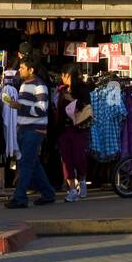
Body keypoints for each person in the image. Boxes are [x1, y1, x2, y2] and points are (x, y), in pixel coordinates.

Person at [2, 53, 56, 208]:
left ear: (31, 70)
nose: (19, 70)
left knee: (26, 163)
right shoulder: (24, 85)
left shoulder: (40, 86)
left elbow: (42, 109)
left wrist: (19, 106)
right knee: (32, 163)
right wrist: (15, 105)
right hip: (24, 129)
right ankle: (48, 193)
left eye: (22, 68)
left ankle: (20, 198)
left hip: (35, 130)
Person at [57, 62, 91, 202]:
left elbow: (86, 107)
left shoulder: (83, 89)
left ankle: (82, 180)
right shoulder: (61, 90)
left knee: (79, 158)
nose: (61, 77)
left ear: (68, 75)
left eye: (63, 75)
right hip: (64, 130)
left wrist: (71, 99)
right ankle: (71, 189)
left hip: (78, 129)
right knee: (66, 160)